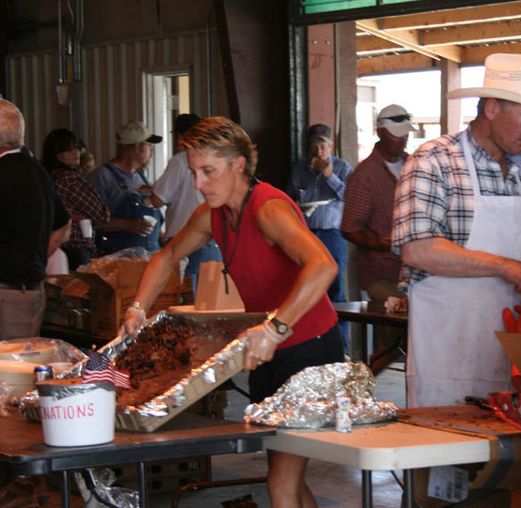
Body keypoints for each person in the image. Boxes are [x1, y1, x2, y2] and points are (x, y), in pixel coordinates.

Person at [123, 116, 344, 508]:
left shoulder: (269, 208)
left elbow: (324, 265)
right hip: (271, 351)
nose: (198, 184)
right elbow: (167, 255)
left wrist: (275, 328)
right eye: (194, 172)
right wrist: (137, 308)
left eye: (208, 171)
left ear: (238, 164)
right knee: (285, 476)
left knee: (280, 482)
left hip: (308, 349)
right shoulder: (215, 214)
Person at [393, 53, 521, 407]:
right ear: (492, 108)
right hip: (446, 353)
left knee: (502, 459)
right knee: (441, 451)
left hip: (511, 357)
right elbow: (418, 249)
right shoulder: (434, 161)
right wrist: (506, 267)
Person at [0, 99, 71, 339]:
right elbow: (63, 224)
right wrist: (36, 257)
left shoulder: (5, 174)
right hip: (26, 291)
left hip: (8, 295)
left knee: (9, 372)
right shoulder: (36, 169)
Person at [341, 104, 412, 299]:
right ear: (380, 132)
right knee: (392, 326)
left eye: (405, 134)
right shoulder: (365, 176)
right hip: (381, 274)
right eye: (396, 134)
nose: (402, 140)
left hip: (413, 271)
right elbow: (349, 228)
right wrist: (377, 243)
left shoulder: (412, 165)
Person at [151, 113, 221, 294]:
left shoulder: (181, 160)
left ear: (183, 136)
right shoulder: (217, 158)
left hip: (186, 240)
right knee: (209, 303)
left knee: (188, 303)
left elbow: (157, 199)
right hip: (214, 242)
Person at [287, 123, 352, 308]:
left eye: (323, 146)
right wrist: (298, 208)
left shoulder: (342, 167)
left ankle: (342, 336)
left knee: (336, 291)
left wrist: (329, 175)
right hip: (305, 234)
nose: (318, 150)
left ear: (331, 146)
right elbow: (288, 199)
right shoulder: (300, 168)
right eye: (314, 145)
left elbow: (350, 197)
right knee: (307, 289)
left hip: (332, 234)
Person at [87, 120, 163, 255]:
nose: (152, 150)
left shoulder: (141, 177)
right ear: (138, 147)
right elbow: (91, 220)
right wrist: (127, 225)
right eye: (149, 145)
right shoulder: (102, 177)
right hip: (117, 259)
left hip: (149, 256)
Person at [41, 128, 110, 270]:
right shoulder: (69, 179)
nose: (76, 152)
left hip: (52, 245)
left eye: (77, 147)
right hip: (76, 247)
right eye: (68, 149)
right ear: (56, 155)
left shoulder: (44, 177)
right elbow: (101, 215)